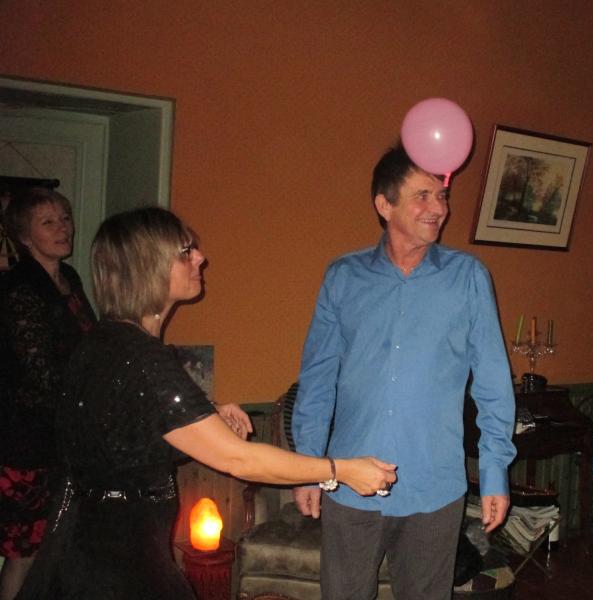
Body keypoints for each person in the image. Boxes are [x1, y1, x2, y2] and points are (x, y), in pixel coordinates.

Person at [17, 207, 396, 599]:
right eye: (186, 252)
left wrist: (205, 415)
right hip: (118, 566)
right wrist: (340, 469)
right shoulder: (142, 358)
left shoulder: (104, 341)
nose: (200, 257)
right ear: (148, 267)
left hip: (88, 550)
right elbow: (239, 459)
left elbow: (126, 439)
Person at [292, 144, 517, 599]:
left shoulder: (468, 277)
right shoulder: (343, 277)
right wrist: (307, 467)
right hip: (349, 484)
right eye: (422, 196)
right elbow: (317, 380)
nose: (439, 209)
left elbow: (494, 383)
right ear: (384, 204)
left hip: (433, 487)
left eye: (442, 196)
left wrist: (495, 471)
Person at [0, 187, 97, 600]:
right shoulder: (19, 287)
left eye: (65, 218)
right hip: (27, 441)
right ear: (25, 235)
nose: (63, 228)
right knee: (24, 554)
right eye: (48, 222)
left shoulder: (69, 279)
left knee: (62, 550)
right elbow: (40, 371)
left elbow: (90, 347)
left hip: (64, 439)